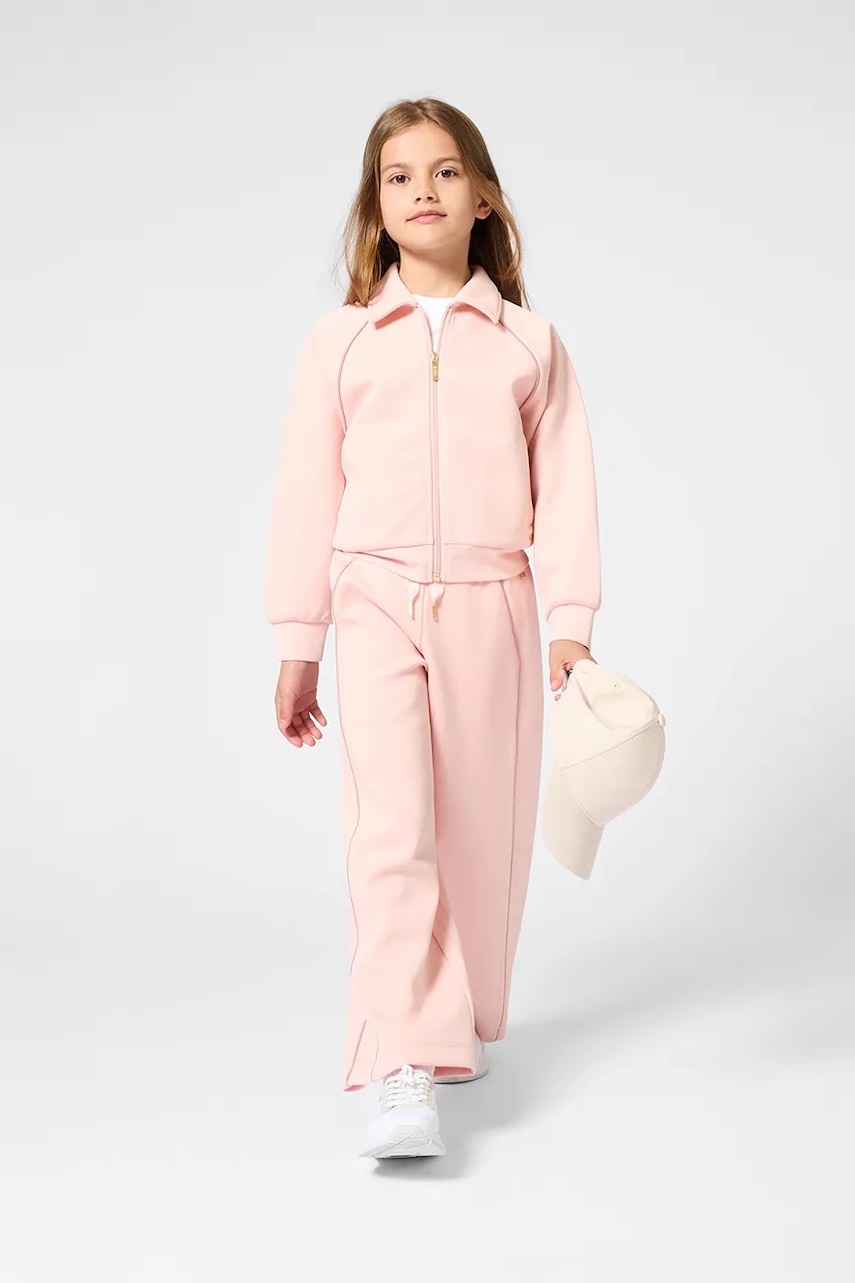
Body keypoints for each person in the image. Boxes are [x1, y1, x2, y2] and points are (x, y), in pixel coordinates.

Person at [264, 97, 601, 1159]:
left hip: (494, 603)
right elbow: (306, 495)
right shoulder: (341, 343)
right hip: (373, 598)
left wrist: (570, 620)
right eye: (399, 175)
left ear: (484, 198)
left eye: (446, 171)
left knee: (481, 840)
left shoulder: (529, 344)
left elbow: (568, 489)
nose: (423, 190)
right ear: (376, 205)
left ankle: (460, 1019)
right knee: (391, 829)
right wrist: (300, 638)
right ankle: (402, 1058)